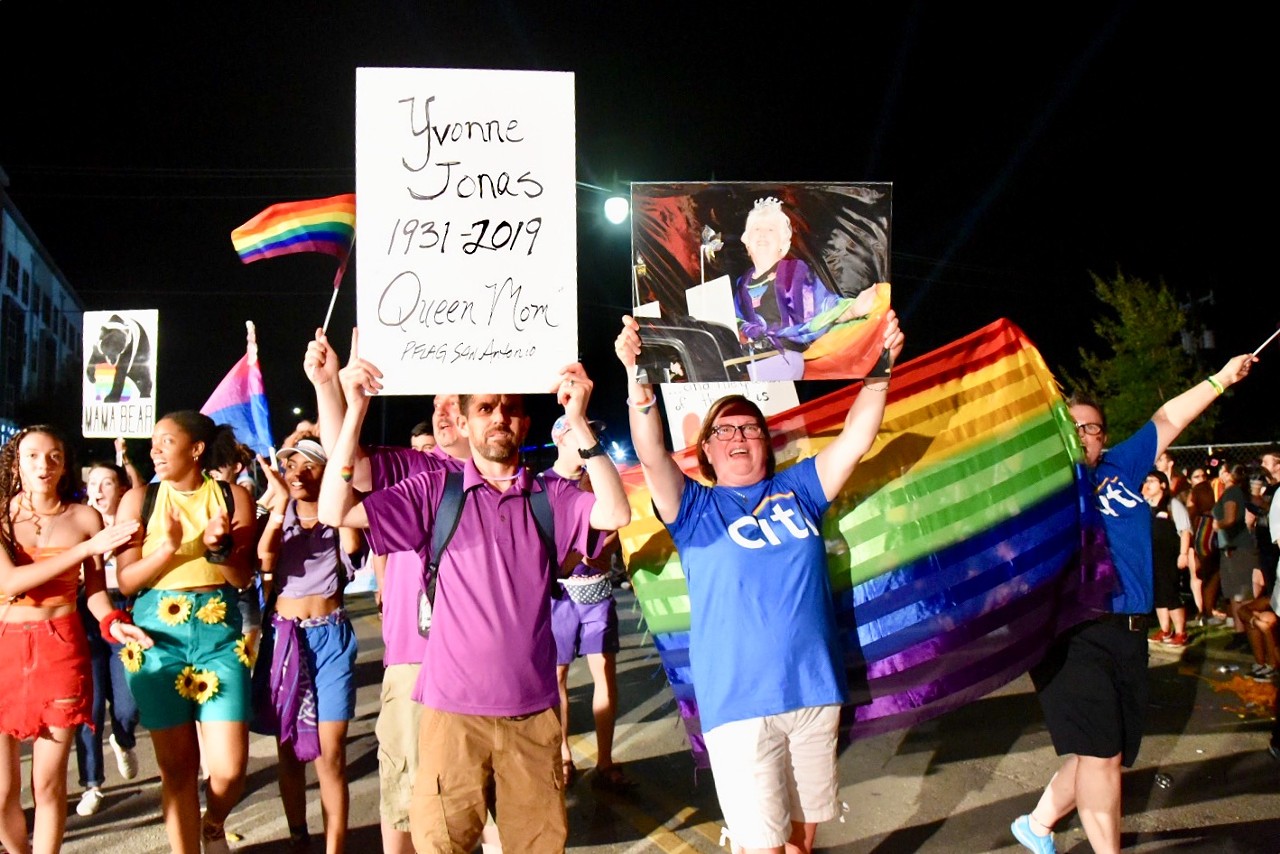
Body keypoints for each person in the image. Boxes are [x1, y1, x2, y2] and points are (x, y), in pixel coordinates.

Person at [614, 309, 904, 854]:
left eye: (750, 427)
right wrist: (639, 379)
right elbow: (651, 452)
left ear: (767, 443)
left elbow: (859, 436)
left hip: (814, 694)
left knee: (799, 841)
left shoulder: (801, 489)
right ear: (705, 451)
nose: (739, 436)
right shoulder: (694, 507)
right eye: (724, 430)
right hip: (739, 707)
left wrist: (881, 366)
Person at [318, 357, 631, 854]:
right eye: (485, 407)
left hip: (532, 718)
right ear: (465, 422)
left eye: (509, 408)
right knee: (443, 846)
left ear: (526, 422)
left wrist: (577, 423)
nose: (499, 417)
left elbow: (617, 511)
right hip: (450, 717)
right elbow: (334, 510)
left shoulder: (550, 495)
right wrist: (354, 410)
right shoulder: (433, 492)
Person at [1012, 353, 1256, 854]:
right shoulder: (1045, 485)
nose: (1084, 435)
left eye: (1093, 428)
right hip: (1073, 635)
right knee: (1102, 756)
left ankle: (1036, 825)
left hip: (1128, 631)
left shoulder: (1124, 465)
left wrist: (1222, 378)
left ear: (1105, 435)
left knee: (1099, 751)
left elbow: (1168, 417)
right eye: (1073, 427)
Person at [303, 329, 470, 854]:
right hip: (416, 659)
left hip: (488, 665)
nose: (441, 413)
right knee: (405, 797)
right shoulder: (420, 468)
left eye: (454, 403)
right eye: (435, 403)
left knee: (476, 807)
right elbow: (345, 460)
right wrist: (330, 388)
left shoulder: (515, 479)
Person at [0, 425, 149, 854]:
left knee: (47, 784)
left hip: (60, 650)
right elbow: (10, 580)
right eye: (32, 456)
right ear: (17, 462)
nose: (43, 465)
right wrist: (86, 550)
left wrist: (113, 623)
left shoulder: (86, 519)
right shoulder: (1, 516)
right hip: (6, 649)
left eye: (54, 456)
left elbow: (97, 594)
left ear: (65, 464)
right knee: (3, 791)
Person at [114, 411, 257, 854]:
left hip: (218, 634)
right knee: (176, 769)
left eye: (165, 442)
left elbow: (241, 578)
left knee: (230, 769)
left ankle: (212, 824)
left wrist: (219, 547)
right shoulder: (138, 500)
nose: (154, 451)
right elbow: (126, 581)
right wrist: (168, 549)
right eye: (153, 443)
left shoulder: (233, 497)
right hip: (157, 637)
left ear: (195, 449)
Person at [256, 437, 366, 852]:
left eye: (309, 465)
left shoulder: (342, 516)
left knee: (330, 752)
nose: (298, 472)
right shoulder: (277, 517)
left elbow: (354, 547)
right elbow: (264, 561)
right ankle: (299, 836)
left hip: (331, 637)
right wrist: (277, 507)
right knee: (288, 750)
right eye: (291, 466)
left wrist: (338, 499)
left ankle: (334, 847)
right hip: (283, 639)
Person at [545, 415, 632, 793]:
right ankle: (563, 753)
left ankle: (605, 758)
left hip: (596, 590)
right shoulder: (540, 486)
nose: (589, 437)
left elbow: (620, 522)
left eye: (593, 431)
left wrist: (604, 547)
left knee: (605, 675)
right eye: (580, 432)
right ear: (560, 438)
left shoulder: (600, 478)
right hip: (560, 593)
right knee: (557, 678)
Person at [731, 197, 867, 381]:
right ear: (746, 241)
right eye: (756, 229)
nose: (762, 234)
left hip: (784, 359)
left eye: (770, 229)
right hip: (750, 362)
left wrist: (850, 311)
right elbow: (734, 321)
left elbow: (822, 307)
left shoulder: (795, 272)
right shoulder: (741, 283)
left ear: (783, 245)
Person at [74, 460, 143, 817]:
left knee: (128, 701)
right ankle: (92, 784)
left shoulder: (135, 527)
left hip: (124, 612)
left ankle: (125, 737)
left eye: (107, 483)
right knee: (88, 705)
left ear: (122, 489)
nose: (99, 491)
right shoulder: (78, 526)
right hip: (82, 615)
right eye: (94, 484)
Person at [1142, 470, 1191, 646]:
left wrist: (1183, 554)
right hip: (1151, 556)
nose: (1148, 484)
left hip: (1169, 556)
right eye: (1146, 481)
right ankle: (1165, 630)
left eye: (1152, 481)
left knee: (1170, 593)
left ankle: (1181, 632)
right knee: (1158, 594)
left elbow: (1185, 531)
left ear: (1162, 484)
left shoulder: (1172, 504)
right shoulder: (1145, 506)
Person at [1213, 464, 1259, 652]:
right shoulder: (1230, 492)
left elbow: (1231, 518)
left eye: (1224, 471)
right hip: (1229, 548)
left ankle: (1250, 634)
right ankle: (1240, 634)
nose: (1220, 475)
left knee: (1243, 593)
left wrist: (1218, 524)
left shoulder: (1233, 493)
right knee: (1233, 593)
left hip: (1239, 547)